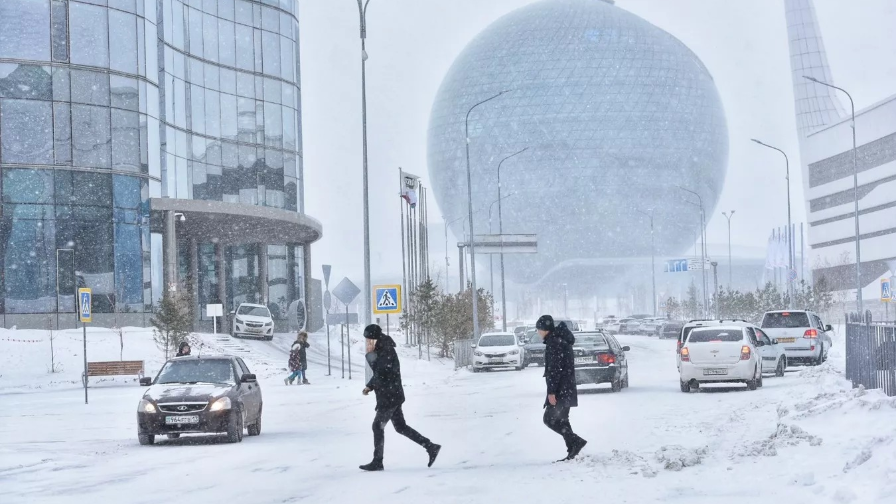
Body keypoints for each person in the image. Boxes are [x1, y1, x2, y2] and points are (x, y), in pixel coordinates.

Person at [360, 324, 441, 472]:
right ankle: (430, 446)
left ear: (374, 338)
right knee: (400, 427)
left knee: (377, 426)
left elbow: (382, 373)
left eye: (368, 339)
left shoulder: (386, 350)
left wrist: (370, 357)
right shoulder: (382, 348)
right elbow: (380, 373)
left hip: (389, 396)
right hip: (392, 395)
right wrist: (370, 386)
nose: (367, 343)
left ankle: (378, 462)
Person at [537, 315, 587, 461]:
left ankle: (576, 442)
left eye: (539, 329)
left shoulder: (555, 343)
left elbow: (554, 370)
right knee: (562, 419)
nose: (538, 332)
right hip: (566, 387)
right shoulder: (560, 340)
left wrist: (552, 392)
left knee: (549, 419)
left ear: (545, 329)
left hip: (560, 389)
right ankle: (572, 449)